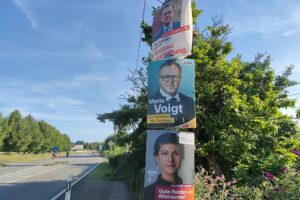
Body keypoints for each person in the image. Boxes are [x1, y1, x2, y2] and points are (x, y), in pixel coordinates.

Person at [148, 60, 195, 126]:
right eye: (166, 77)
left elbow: (191, 125)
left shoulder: (189, 101)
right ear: (159, 79)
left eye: (175, 77)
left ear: (180, 79)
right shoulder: (151, 103)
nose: (171, 81)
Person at [144, 132, 183, 200]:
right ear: (157, 158)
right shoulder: (148, 192)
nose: (171, 159)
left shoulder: (187, 189)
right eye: (165, 153)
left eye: (176, 153)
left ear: (182, 156)